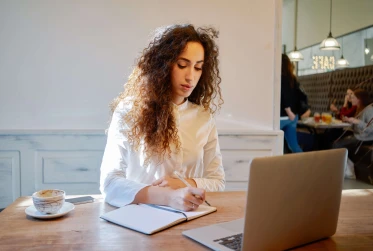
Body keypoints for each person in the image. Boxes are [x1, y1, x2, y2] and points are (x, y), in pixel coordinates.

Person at [100, 24, 225, 212]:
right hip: (138, 216)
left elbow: (217, 182)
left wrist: (181, 184)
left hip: (188, 216)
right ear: (162, 65)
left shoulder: (203, 118)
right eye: (182, 65)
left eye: (198, 67)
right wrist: (169, 197)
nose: (191, 76)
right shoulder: (129, 111)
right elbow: (109, 182)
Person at [333, 89, 373, 167]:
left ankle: (339, 167)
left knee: (336, 145)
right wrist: (349, 121)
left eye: (353, 97)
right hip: (358, 134)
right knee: (334, 139)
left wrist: (356, 122)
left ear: (359, 99)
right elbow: (357, 126)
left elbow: (371, 129)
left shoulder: (369, 110)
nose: (351, 99)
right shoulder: (359, 109)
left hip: (365, 138)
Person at [280, 54, 305, 153]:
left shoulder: (280, 78)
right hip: (293, 118)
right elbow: (301, 96)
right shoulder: (293, 79)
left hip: (281, 117)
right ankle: (306, 165)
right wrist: (296, 113)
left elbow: (283, 95)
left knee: (275, 145)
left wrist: (288, 111)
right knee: (294, 146)